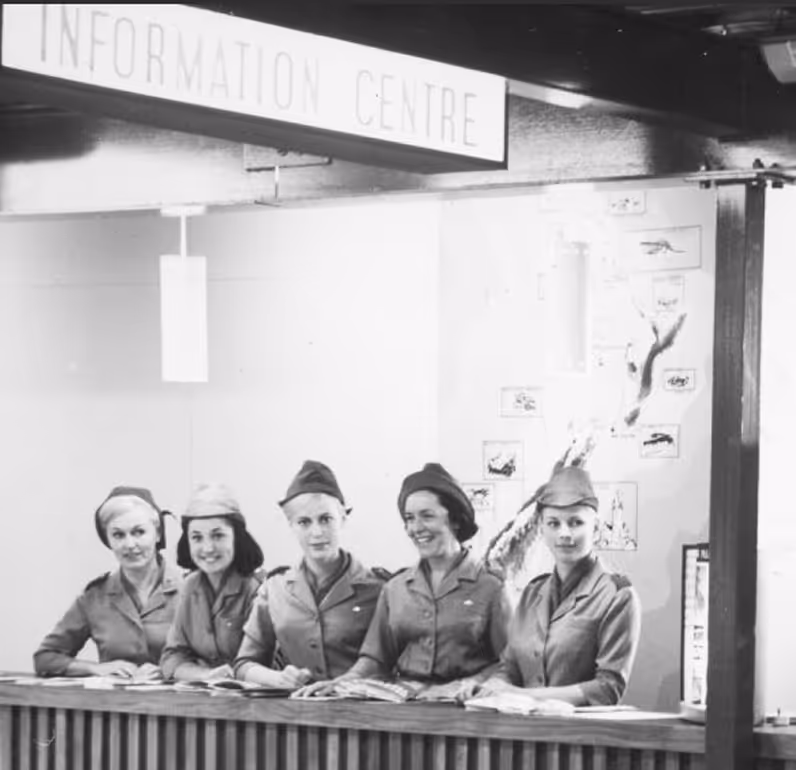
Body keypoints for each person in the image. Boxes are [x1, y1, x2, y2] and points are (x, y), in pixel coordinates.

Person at [298, 462, 511, 700]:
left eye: (427, 516)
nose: (416, 528)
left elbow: (509, 663)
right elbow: (375, 661)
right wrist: (339, 684)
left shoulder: (490, 587)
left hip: (469, 713)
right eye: (409, 518)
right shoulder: (395, 589)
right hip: (406, 713)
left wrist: (473, 683)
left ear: (455, 520)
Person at [479, 465, 641, 706]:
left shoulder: (617, 596)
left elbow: (607, 689)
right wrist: (491, 686)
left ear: (595, 528)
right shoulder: (532, 593)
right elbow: (510, 667)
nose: (564, 533)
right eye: (553, 523)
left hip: (581, 737)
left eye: (576, 522)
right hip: (522, 736)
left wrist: (524, 696)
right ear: (542, 529)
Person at [234, 460, 387, 689]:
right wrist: (278, 678)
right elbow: (244, 664)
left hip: (361, 716)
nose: (316, 532)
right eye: (304, 522)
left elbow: (384, 662)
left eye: (326, 519)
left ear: (343, 518)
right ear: (291, 525)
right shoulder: (275, 589)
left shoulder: (378, 589)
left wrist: (340, 685)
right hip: (296, 716)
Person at [34, 486, 182, 679]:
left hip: (181, 707)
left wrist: (171, 671)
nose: (129, 544)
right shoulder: (95, 597)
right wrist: (95, 669)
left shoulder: (191, 590)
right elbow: (45, 658)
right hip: (114, 706)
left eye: (139, 532)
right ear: (108, 540)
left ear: (158, 534)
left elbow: (218, 661)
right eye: (118, 535)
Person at [160, 483, 265, 682]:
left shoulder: (258, 589)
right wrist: (205, 675)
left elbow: (261, 663)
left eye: (218, 535)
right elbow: (172, 657)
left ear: (237, 537)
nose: (208, 548)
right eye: (197, 537)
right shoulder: (189, 586)